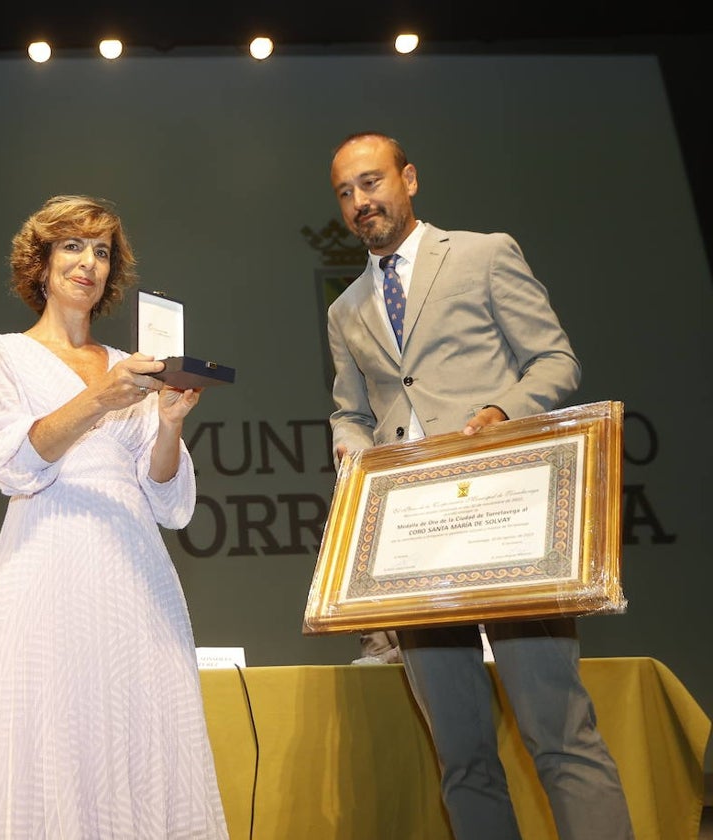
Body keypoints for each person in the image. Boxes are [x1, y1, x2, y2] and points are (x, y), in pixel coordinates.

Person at [325, 132, 634, 839]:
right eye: (344, 193)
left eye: (371, 183)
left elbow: (555, 360)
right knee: (462, 757)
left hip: (508, 518)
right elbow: (352, 409)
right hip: (414, 544)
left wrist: (504, 414)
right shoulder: (345, 310)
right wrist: (352, 449)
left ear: (409, 178)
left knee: (559, 735)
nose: (359, 203)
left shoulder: (484, 253)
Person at [0, 195, 228, 839]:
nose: (89, 263)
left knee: (143, 722)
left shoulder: (126, 366)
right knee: (52, 724)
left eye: (102, 252)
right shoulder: (0, 355)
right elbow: (16, 465)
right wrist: (100, 397)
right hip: (47, 563)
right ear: (42, 262)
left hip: (133, 566)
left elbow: (166, 499)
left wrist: (166, 426)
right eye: (73, 247)